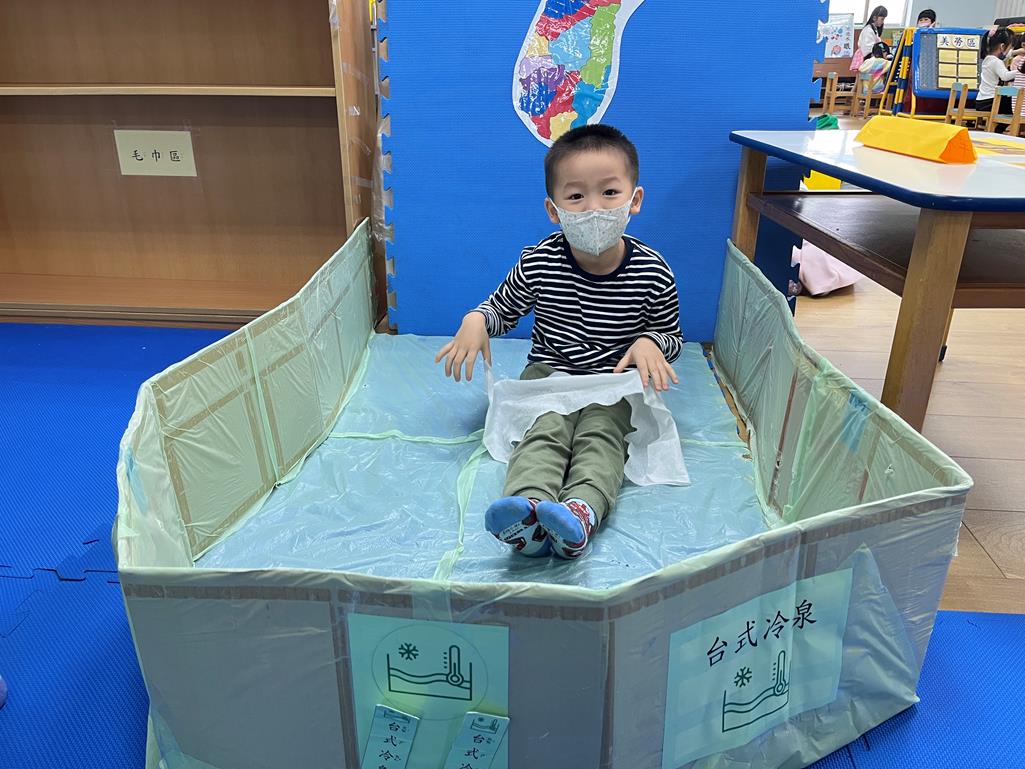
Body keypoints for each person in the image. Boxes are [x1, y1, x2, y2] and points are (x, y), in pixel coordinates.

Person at [435, 124, 682, 560]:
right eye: (576, 196)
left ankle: (580, 512)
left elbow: (671, 336)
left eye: (609, 193)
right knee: (544, 429)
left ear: (635, 199)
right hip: (549, 374)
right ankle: (526, 512)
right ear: (554, 209)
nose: (594, 208)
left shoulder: (653, 272)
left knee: (601, 435)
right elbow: (502, 308)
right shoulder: (539, 262)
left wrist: (651, 343)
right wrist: (477, 319)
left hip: (613, 381)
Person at [977, 29, 1018, 132]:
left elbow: (1007, 55)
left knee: (1010, 104)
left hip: (981, 101)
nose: (1010, 51)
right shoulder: (996, 61)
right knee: (1015, 106)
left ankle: (996, 129)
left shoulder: (988, 58)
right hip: (991, 101)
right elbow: (1005, 76)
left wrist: (1017, 52)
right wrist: (1020, 71)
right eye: (1010, 47)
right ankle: (997, 129)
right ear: (1002, 46)